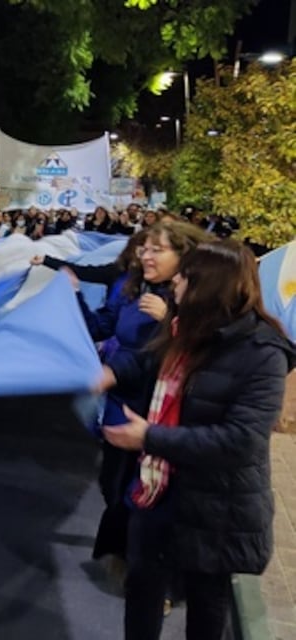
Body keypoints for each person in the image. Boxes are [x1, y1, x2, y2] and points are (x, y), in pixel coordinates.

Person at [101, 240, 295, 640]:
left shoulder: (262, 353)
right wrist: (108, 373)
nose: (176, 282)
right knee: (142, 591)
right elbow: (145, 361)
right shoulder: (183, 328)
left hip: (217, 507)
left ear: (209, 285)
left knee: (206, 608)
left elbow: (240, 441)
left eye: (185, 276)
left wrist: (149, 436)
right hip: (158, 492)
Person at [69, 221, 209, 567]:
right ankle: (128, 559)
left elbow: (157, 354)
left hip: (158, 410)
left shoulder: (196, 300)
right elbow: (104, 327)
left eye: (156, 249)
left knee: (148, 492)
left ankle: (150, 573)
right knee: (113, 484)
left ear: (184, 256)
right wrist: (72, 297)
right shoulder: (131, 288)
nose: (145, 255)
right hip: (122, 403)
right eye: (144, 248)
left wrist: (172, 323)